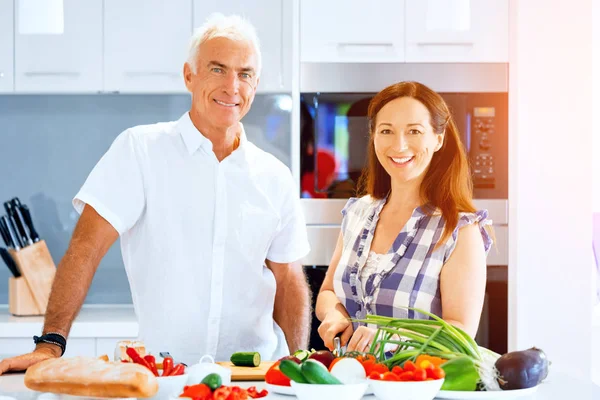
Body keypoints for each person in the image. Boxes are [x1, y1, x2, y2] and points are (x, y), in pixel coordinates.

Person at [0, 13, 311, 374]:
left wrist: (299, 359)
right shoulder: (139, 150)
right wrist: (51, 344)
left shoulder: (274, 176)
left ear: (255, 84)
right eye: (217, 69)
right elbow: (85, 249)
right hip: (162, 377)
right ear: (189, 75)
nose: (232, 86)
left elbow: (288, 279)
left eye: (245, 74)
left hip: (252, 376)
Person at [316, 81, 493, 354]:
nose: (399, 145)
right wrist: (335, 314)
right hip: (349, 381)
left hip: (417, 386)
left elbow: (460, 332)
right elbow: (327, 292)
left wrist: (389, 337)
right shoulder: (357, 213)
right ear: (374, 136)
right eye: (387, 131)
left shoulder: (459, 230)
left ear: (438, 139)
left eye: (414, 131)